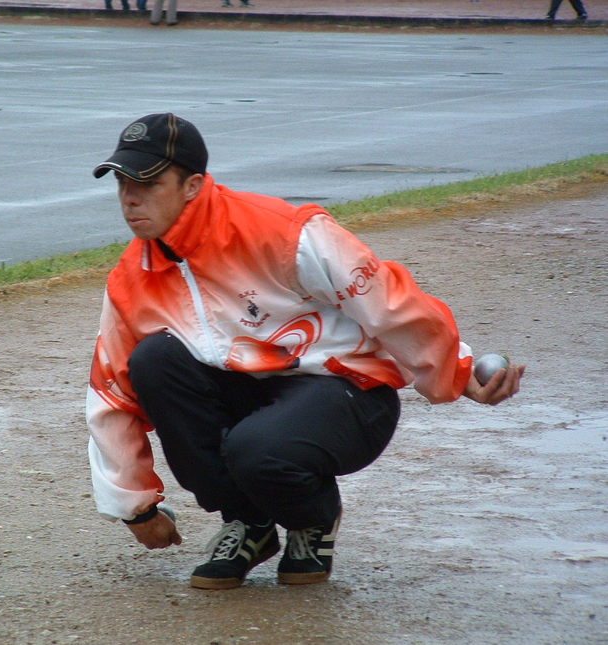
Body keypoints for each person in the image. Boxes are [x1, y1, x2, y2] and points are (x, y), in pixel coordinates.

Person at [86, 113, 524, 590]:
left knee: (257, 449)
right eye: (123, 182)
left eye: (148, 183)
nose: (130, 198)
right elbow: (112, 394)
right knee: (153, 361)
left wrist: (457, 371)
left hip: (344, 394)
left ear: (192, 185)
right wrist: (136, 508)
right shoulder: (132, 279)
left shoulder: (282, 231)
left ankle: (312, 521)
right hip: (252, 397)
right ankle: (249, 525)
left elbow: (386, 302)